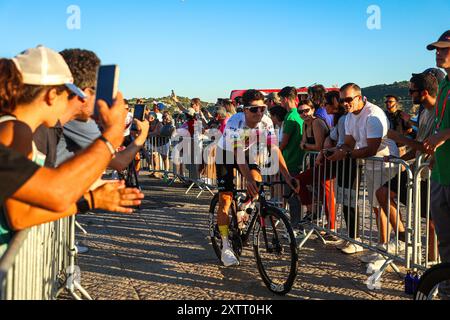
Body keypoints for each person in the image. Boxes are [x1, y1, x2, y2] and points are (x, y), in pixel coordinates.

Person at [0, 47, 144, 255]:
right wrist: (112, 134)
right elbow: (27, 211)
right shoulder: (14, 130)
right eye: (69, 94)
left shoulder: (16, 128)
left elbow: (30, 209)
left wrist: (93, 199)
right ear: (51, 95)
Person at [215, 89, 297, 267]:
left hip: (246, 153)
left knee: (257, 181)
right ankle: (226, 245)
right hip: (226, 155)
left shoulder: (266, 122)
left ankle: (243, 208)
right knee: (225, 200)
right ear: (244, 110)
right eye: (254, 109)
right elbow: (236, 155)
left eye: (263, 108)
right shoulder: (235, 122)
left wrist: (288, 177)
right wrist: (248, 181)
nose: (259, 113)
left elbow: (275, 150)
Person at [326, 83, 399, 264]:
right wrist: (336, 150)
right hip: (371, 163)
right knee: (376, 206)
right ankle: (382, 247)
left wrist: (345, 153)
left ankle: (392, 245)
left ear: (360, 97)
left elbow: (371, 149)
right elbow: (349, 143)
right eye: (342, 100)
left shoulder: (372, 116)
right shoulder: (350, 117)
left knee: (385, 204)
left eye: (349, 99)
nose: (345, 103)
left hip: (385, 162)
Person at [377, 73, 439, 261]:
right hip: (418, 169)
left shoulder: (438, 113)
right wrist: (400, 158)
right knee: (383, 193)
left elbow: (429, 146)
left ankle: (430, 265)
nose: (409, 94)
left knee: (432, 222)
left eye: (411, 90)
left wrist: (399, 138)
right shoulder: (423, 112)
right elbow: (420, 146)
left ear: (424, 92)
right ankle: (404, 238)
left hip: (431, 173)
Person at [55, 49, 149, 171]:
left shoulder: (61, 120)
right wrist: (140, 135)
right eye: (98, 91)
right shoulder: (74, 121)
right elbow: (119, 161)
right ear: (86, 93)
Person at [423, 30, 450, 298]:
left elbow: (444, 129)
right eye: (437, 49)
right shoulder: (442, 85)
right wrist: (433, 155)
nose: (438, 53)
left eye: (443, 48)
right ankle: (446, 290)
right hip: (440, 172)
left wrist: (444, 134)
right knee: (444, 242)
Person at [278, 87, 304, 231]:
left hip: (291, 161)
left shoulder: (290, 116)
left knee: (293, 197)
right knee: (293, 196)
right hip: (297, 160)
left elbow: (284, 142)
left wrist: (274, 153)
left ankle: (295, 228)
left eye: (281, 99)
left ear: (287, 98)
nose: (281, 103)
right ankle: (295, 226)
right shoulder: (298, 114)